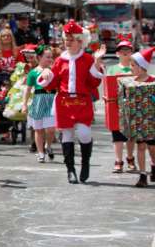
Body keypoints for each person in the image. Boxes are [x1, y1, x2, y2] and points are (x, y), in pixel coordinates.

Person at [36, 20, 106, 184]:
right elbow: (51, 82)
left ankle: (85, 163)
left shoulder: (87, 59)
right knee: (67, 134)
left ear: (80, 41)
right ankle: (70, 170)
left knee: (84, 133)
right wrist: (46, 74)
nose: (67, 42)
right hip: (64, 102)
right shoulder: (60, 60)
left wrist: (97, 63)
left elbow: (94, 83)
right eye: (66, 39)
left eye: (71, 39)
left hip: (82, 102)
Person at [129, 47, 155, 187]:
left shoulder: (154, 81)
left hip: (152, 120)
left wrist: (152, 99)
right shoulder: (131, 82)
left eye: (133, 65)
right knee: (141, 146)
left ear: (141, 67)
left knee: (152, 147)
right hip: (138, 119)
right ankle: (142, 175)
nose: (131, 68)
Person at [22, 46, 56, 163]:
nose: (50, 59)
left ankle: (48, 146)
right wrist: (24, 104)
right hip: (39, 100)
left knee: (51, 129)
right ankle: (41, 153)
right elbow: (27, 89)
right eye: (47, 57)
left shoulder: (54, 71)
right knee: (38, 129)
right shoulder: (33, 72)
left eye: (51, 57)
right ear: (39, 57)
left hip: (51, 100)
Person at [106, 40, 136, 173]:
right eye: (122, 50)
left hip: (132, 105)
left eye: (127, 50)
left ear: (131, 52)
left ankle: (130, 158)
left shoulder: (135, 68)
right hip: (116, 105)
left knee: (130, 135)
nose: (125, 52)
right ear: (117, 53)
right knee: (117, 134)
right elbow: (108, 86)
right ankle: (118, 161)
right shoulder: (112, 69)